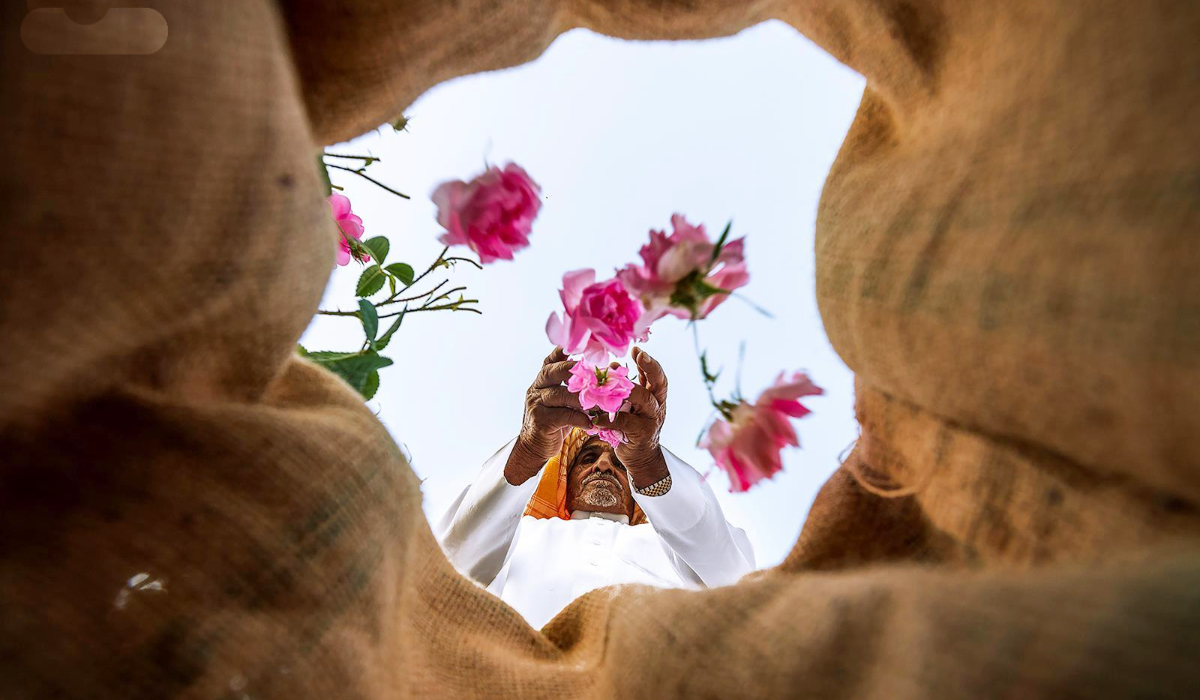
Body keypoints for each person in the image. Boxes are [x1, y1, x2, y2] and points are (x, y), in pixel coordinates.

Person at [437, 347, 754, 627]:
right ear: (565, 482)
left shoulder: (672, 549)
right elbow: (447, 572)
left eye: (619, 461)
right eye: (588, 456)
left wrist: (647, 463)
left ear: (636, 494)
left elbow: (736, 587)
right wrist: (529, 450)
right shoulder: (523, 536)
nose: (603, 465)